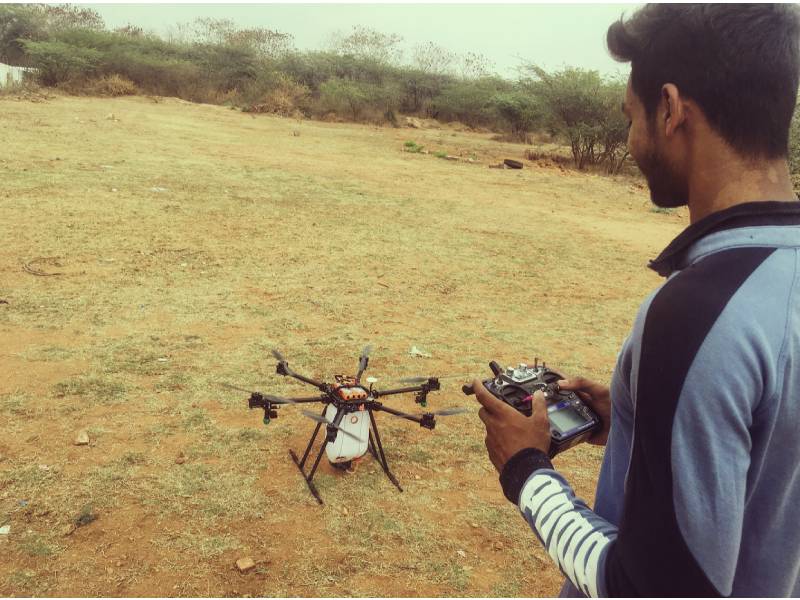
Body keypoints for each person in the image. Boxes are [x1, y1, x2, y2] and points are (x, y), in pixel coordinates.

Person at [474, 4, 800, 597]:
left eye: (632, 116)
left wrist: (525, 470)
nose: (630, 139)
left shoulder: (695, 313)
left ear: (671, 109)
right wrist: (631, 415)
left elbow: (651, 588)